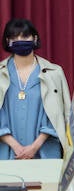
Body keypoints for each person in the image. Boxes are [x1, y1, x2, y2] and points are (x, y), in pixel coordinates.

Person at [0, 19, 70, 161]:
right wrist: (16, 147)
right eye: (14, 37)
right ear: (7, 41)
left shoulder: (54, 73)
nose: (19, 40)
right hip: (6, 153)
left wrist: (34, 147)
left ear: (35, 38)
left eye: (25, 36)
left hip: (46, 151)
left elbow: (62, 113)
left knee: (45, 183)